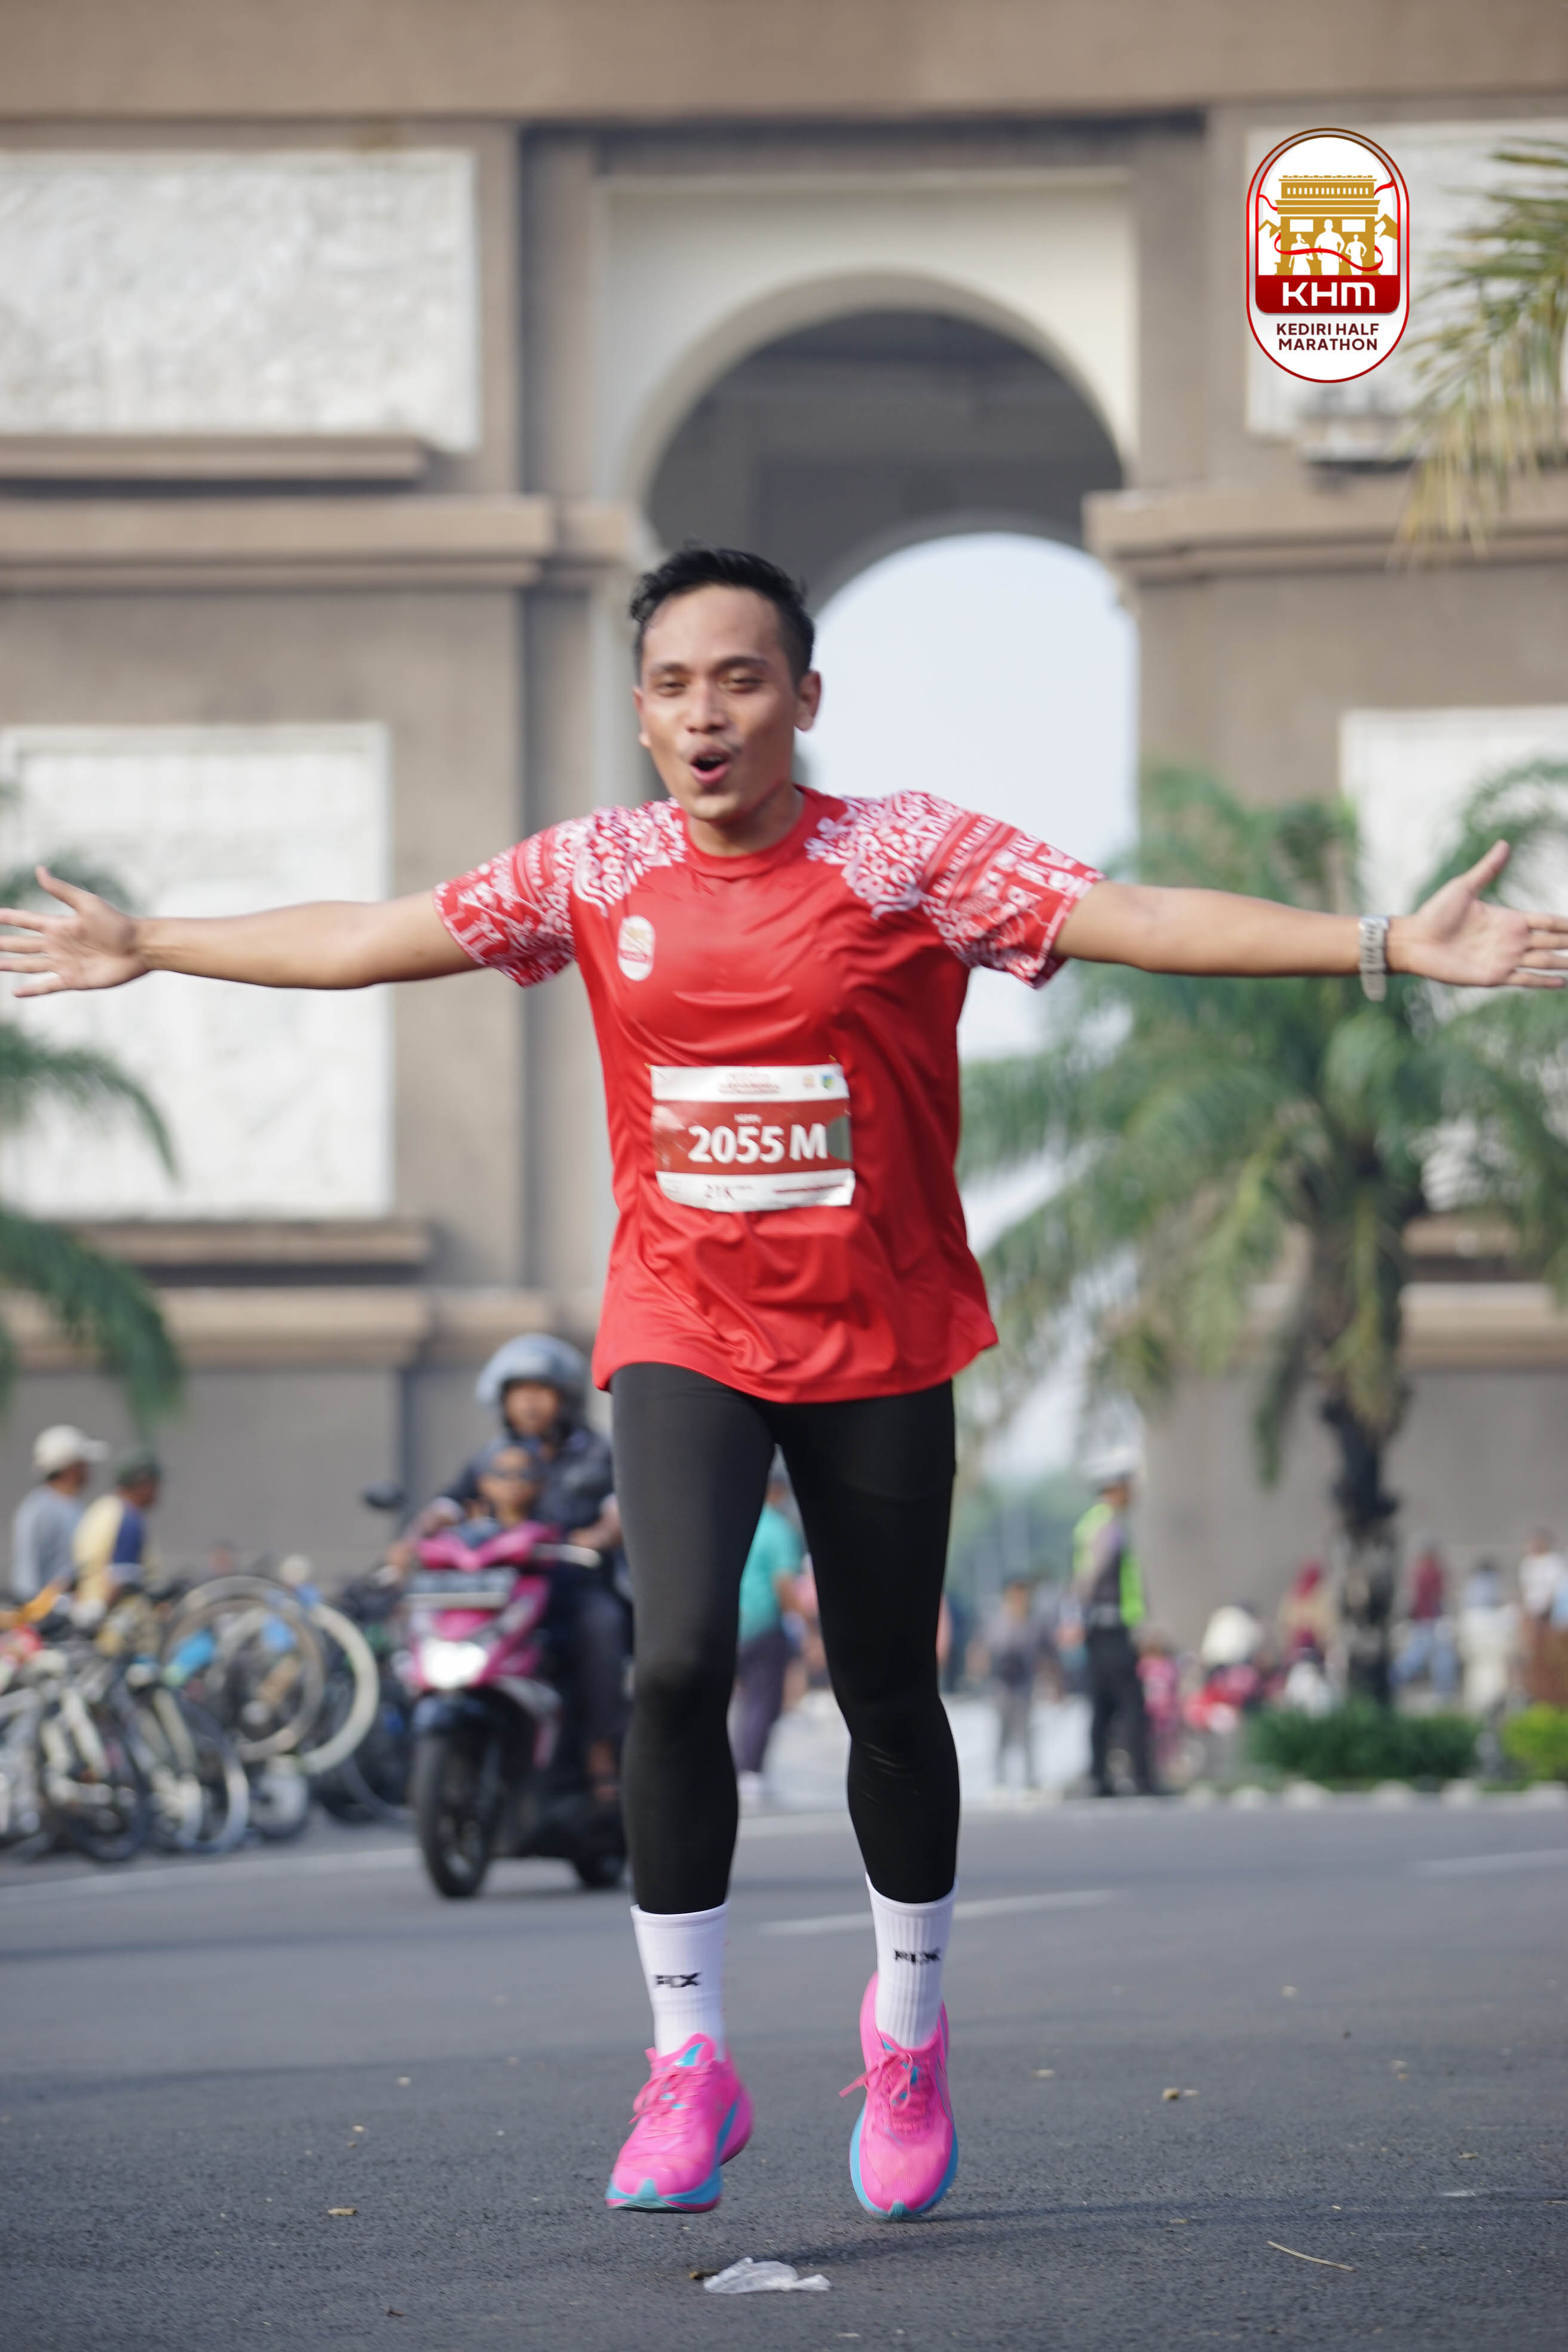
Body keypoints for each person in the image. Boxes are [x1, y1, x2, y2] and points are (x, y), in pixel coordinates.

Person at [4, 542, 1561, 2227]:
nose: (707, 714)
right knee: (676, 1659)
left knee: (887, 1691)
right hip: (683, 1324)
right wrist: (150, 941)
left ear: (803, 698)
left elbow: (1139, 918)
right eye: (674, 686)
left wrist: (1384, 943)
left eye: (740, 680)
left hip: (880, 1335)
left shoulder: (910, 856)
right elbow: (373, 936)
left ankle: (907, 2031)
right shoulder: (593, 868)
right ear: (641, 712)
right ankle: (688, 2062)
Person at [432, 1334, 626, 1808]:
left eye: (541, 1390)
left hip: (575, 1586)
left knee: (601, 1628)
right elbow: (447, 1506)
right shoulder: (493, 1457)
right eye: (519, 1391)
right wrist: (412, 1538)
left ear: (566, 1398)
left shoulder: (598, 1453)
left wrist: (599, 1536)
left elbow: (619, 1511)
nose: (530, 1403)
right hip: (508, 1590)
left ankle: (601, 1751)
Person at [1074, 1465, 1156, 1797]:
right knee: (1131, 1703)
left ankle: (1100, 1778)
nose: (1133, 1494)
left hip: (1099, 1630)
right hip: (1111, 1629)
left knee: (1103, 1704)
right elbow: (1088, 1577)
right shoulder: (1107, 1525)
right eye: (1128, 1487)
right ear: (1115, 1488)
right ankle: (1141, 1777)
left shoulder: (1094, 1522)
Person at [730, 1459, 804, 1805]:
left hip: (730, 1621)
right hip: (763, 1624)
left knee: (740, 1701)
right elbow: (784, 1584)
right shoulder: (778, 1529)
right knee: (763, 1700)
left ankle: (736, 1766)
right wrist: (800, 1622)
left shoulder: (733, 1520)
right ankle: (750, 1770)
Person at [10, 1423, 106, 1603]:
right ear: (70, 1467)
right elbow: (27, 1575)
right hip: (51, 1615)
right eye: (83, 1464)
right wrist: (33, 1610)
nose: (88, 1470)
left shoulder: (75, 1507)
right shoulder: (39, 1510)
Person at [72, 1449, 162, 1625]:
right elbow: (122, 1579)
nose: (158, 1492)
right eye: (155, 1484)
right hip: (112, 1624)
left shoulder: (102, 1508)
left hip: (85, 1609)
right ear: (143, 1484)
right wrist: (97, 1618)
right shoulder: (129, 1518)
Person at [979, 1578, 1048, 1790]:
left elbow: (1044, 1653)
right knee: (1001, 1734)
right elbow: (987, 1649)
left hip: (1024, 1685)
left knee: (1026, 1735)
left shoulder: (1034, 1623)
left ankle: (1030, 1779)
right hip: (1001, 1685)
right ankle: (999, 1780)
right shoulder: (998, 1621)